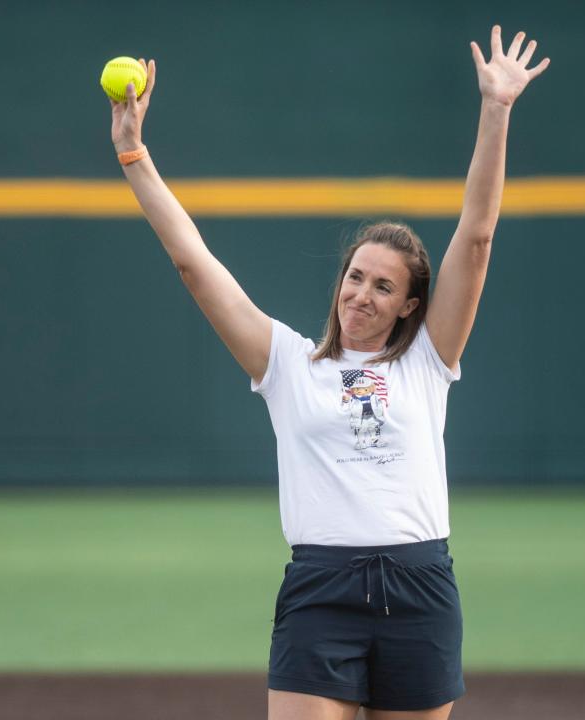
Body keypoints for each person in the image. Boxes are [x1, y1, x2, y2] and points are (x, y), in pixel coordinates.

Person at [110, 25, 549, 720]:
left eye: (382, 286)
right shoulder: (285, 362)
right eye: (354, 276)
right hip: (321, 592)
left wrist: (496, 110)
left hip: (419, 589)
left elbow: (478, 234)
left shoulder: (430, 360)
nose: (360, 294)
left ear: (410, 303)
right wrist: (134, 155)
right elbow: (195, 265)